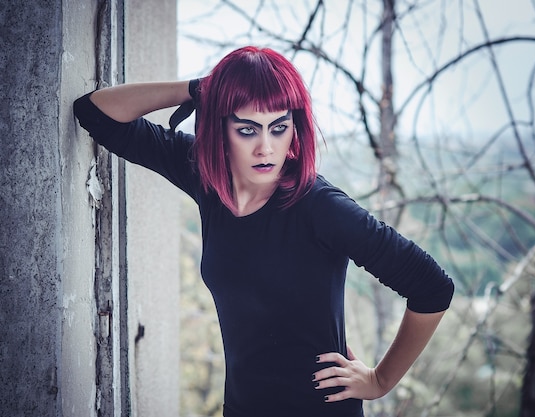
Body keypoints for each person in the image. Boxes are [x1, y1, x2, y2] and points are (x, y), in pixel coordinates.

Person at [74, 46, 454, 417]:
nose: (265, 148)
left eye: (279, 127)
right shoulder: (206, 178)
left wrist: (380, 380)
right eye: (247, 129)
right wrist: (198, 89)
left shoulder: (320, 207)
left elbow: (431, 286)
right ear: (219, 127)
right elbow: (95, 112)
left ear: (294, 127)